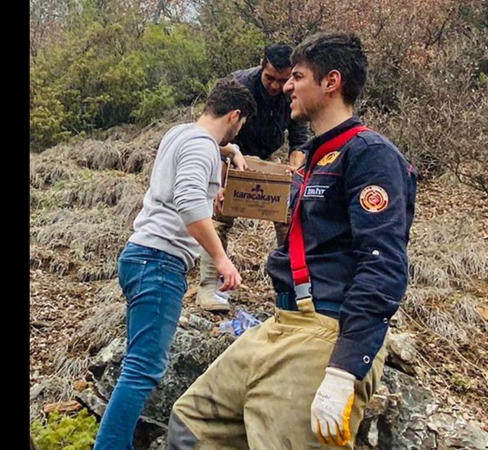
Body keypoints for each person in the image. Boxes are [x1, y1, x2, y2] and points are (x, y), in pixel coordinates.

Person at [167, 32, 418, 449]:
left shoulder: (371, 155)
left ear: (331, 82)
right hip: (281, 322)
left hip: (327, 330)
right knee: (190, 424)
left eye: (297, 77)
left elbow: (383, 266)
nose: (286, 87)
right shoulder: (316, 159)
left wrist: (344, 369)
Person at [93, 77, 256, 450]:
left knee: (137, 365)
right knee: (143, 369)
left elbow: (189, 185)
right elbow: (188, 204)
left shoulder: (180, 134)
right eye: (241, 124)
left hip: (140, 255)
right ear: (235, 116)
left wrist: (229, 153)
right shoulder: (201, 147)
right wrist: (221, 259)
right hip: (160, 263)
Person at [196, 43, 310, 312]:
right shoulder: (239, 86)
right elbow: (215, 135)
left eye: (283, 80)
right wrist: (219, 177)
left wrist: (293, 173)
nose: (276, 86)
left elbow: (299, 141)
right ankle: (209, 286)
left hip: (267, 160)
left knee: (288, 216)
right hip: (230, 154)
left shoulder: (294, 92)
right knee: (219, 215)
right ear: (262, 65)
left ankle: (292, 288)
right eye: (270, 78)